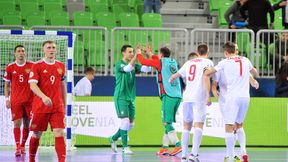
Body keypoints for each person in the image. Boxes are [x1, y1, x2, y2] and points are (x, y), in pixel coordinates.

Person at [204, 42, 258, 162]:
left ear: (226, 53)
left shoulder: (224, 63)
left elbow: (207, 73)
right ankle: (243, 151)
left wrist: (206, 70)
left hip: (232, 98)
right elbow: (254, 71)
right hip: (245, 97)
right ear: (236, 50)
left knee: (229, 126)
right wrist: (254, 81)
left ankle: (229, 156)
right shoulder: (245, 60)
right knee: (239, 125)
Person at [169, 44, 213, 162]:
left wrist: (171, 78)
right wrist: (208, 95)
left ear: (197, 52)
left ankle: (183, 155)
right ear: (207, 51)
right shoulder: (208, 62)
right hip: (199, 97)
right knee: (198, 125)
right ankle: (193, 155)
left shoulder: (189, 62)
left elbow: (176, 75)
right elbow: (206, 77)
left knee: (186, 127)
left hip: (187, 97)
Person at [137, 44, 182, 156]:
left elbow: (143, 62)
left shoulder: (160, 62)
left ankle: (178, 145)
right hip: (177, 95)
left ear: (161, 54)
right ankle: (165, 147)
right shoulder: (172, 61)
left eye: (158, 54)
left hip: (168, 94)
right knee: (168, 122)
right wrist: (150, 53)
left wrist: (139, 53)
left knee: (166, 122)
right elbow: (158, 61)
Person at [28, 40, 66, 162]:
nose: (51, 49)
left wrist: (64, 105)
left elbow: (63, 86)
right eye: (48, 47)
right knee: (36, 134)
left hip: (57, 107)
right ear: (44, 50)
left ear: (56, 50)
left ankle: (62, 160)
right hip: (40, 107)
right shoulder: (37, 65)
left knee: (59, 132)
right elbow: (33, 85)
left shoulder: (61, 66)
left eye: (53, 47)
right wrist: (43, 97)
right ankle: (31, 159)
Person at [109, 44, 151, 154]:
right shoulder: (119, 64)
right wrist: (137, 56)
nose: (132, 53)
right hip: (120, 96)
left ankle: (113, 138)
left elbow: (147, 68)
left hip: (130, 97)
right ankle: (125, 147)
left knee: (130, 124)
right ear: (123, 53)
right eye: (130, 52)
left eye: (133, 52)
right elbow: (127, 69)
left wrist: (148, 56)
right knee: (125, 121)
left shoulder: (134, 65)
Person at [3, 45, 34, 156]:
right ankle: (17, 147)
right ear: (15, 53)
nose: (21, 53)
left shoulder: (32, 66)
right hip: (16, 100)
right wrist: (7, 99)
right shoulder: (10, 67)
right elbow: (6, 85)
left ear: (25, 53)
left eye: (23, 51)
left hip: (30, 100)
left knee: (27, 124)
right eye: (18, 51)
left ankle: (22, 145)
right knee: (17, 123)